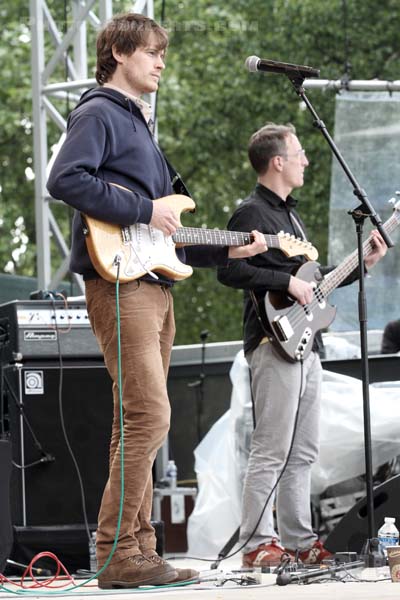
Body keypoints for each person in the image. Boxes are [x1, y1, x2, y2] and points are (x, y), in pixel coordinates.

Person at [47, 12, 266, 589]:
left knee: (135, 421)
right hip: (120, 284)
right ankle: (117, 551)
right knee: (149, 416)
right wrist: (147, 209)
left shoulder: (140, 126)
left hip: (152, 282)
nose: (161, 61)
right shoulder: (99, 111)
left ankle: (139, 551)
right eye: (151, 51)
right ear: (118, 52)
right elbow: (65, 179)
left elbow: (165, 235)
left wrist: (227, 252)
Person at [217, 123, 387, 567]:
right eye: (299, 153)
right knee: (271, 448)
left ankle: (296, 541)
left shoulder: (291, 217)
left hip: (306, 345)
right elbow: (229, 272)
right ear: (278, 161)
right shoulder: (250, 213)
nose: (306, 161)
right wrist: (284, 280)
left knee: (303, 451)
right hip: (273, 343)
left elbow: (316, 284)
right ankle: (257, 547)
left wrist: (361, 263)